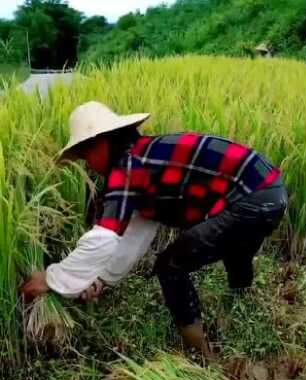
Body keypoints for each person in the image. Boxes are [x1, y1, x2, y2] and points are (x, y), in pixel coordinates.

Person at [22, 101, 288, 359]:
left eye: (85, 155)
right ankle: (239, 309)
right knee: (235, 248)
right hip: (269, 192)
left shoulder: (127, 166)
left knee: (170, 266)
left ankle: (200, 354)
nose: (88, 165)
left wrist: (52, 279)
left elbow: (104, 237)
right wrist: (101, 278)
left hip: (253, 198)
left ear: (101, 143)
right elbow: (134, 232)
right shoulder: (143, 158)